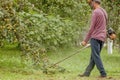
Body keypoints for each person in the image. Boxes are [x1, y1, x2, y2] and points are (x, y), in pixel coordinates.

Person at [79, 0, 107, 78]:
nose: (90, 4)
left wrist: (85, 40)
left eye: (91, 3)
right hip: (102, 38)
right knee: (94, 57)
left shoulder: (95, 12)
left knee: (96, 56)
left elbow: (92, 28)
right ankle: (86, 73)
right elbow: (105, 25)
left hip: (95, 37)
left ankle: (103, 73)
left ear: (94, 2)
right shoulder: (104, 12)